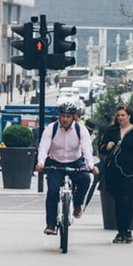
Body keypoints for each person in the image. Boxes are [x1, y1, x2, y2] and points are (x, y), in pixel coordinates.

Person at [36, 101, 98, 235]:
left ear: (73, 116)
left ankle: (77, 204)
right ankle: (51, 224)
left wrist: (91, 166)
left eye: (68, 116)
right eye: (63, 116)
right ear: (59, 116)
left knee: (85, 179)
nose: (65, 119)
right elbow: (44, 147)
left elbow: (87, 148)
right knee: (52, 192)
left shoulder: (80, 130)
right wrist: (41, 162)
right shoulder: (51, 129)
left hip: (75, 161)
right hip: (55, 162)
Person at [101, 105, 133, 244]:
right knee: (118, 201)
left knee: (127, 200)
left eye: (123, 115)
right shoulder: (111, 131)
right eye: (118, 115)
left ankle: (127, 230)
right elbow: (101, 148)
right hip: (114, 172)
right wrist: (107, 147)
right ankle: (120, 231)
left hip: (132, 173)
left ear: (129, 116)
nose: (120, 118)